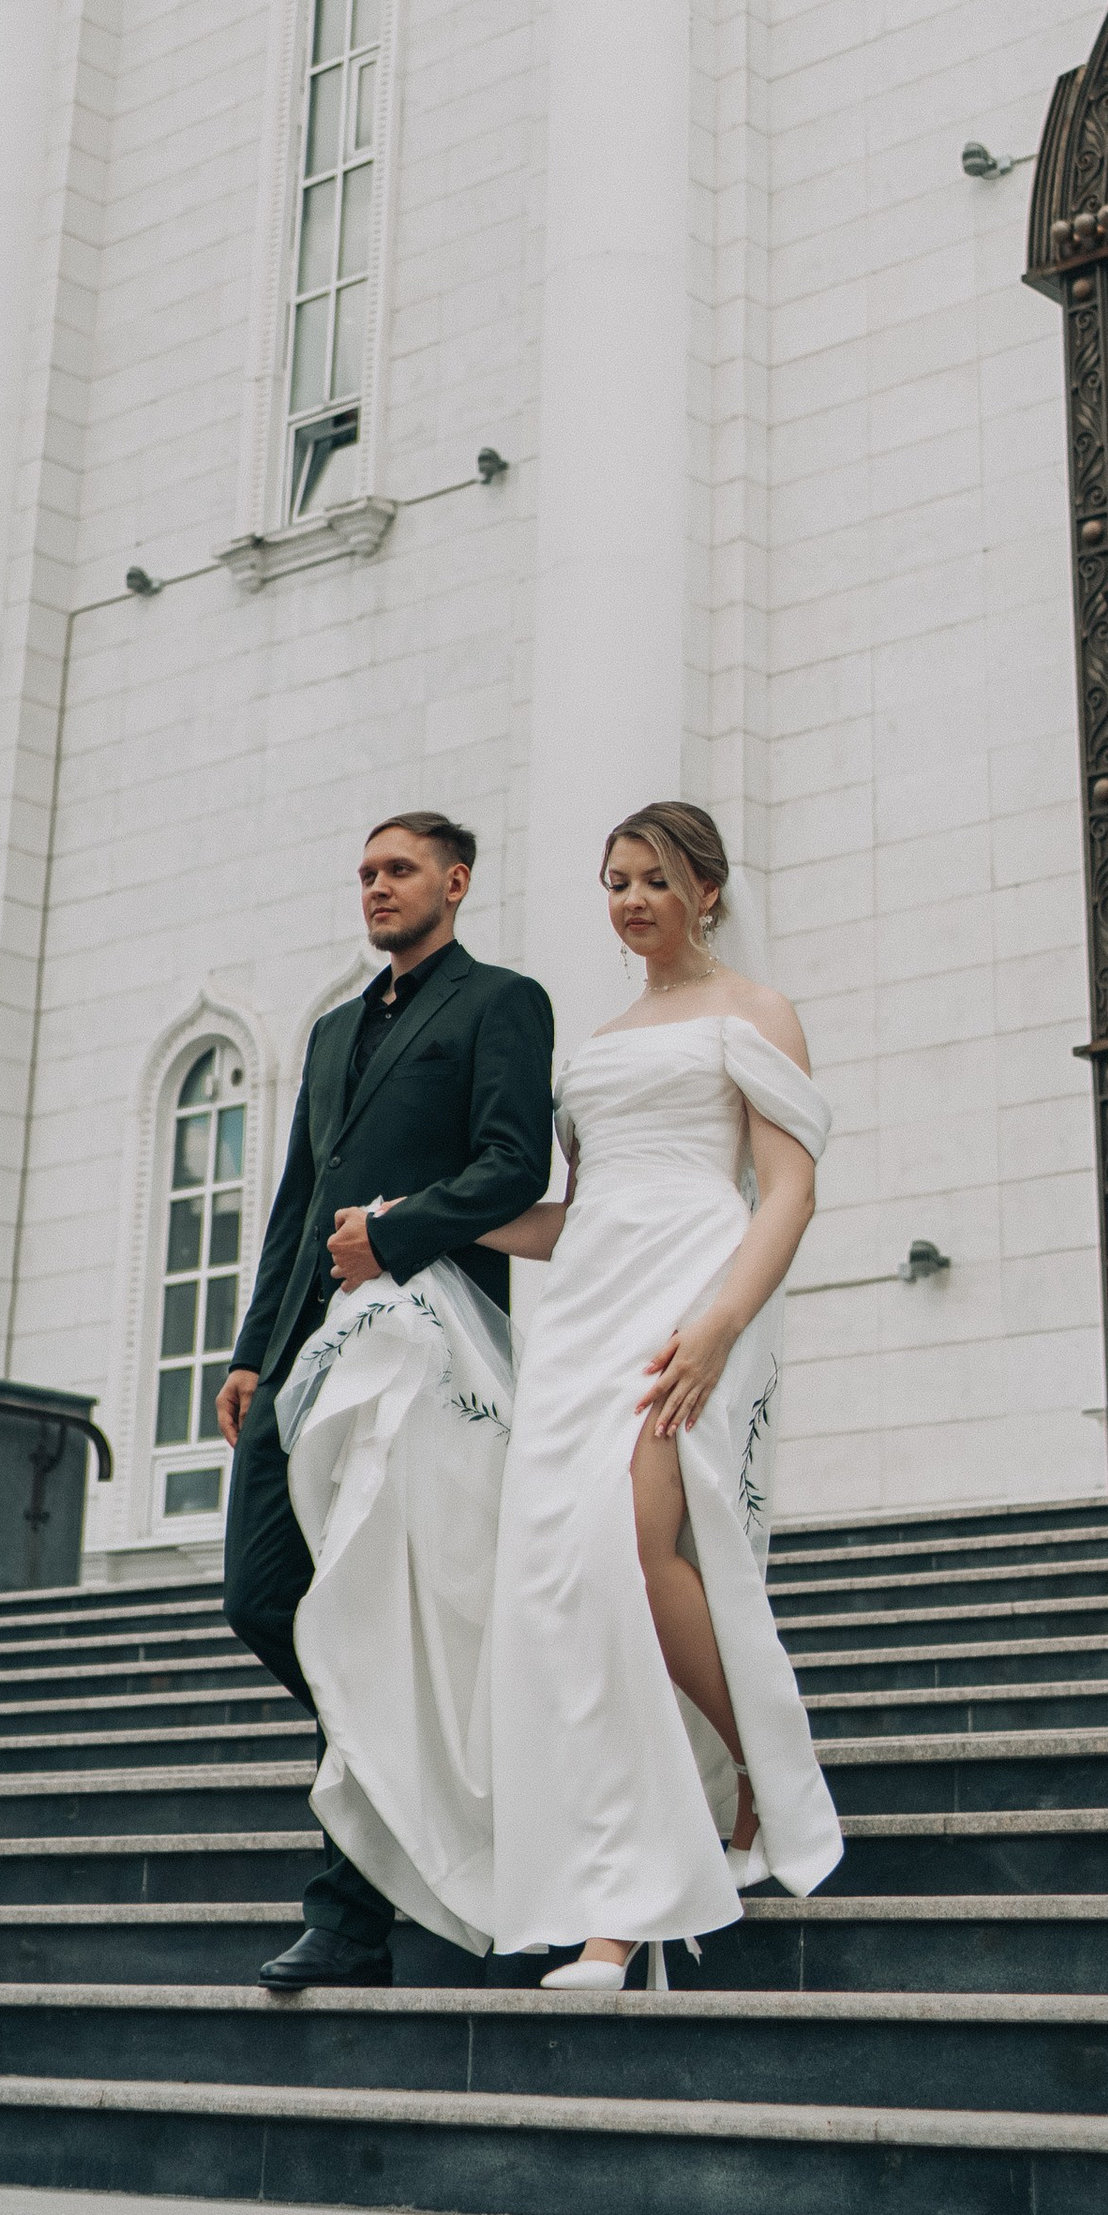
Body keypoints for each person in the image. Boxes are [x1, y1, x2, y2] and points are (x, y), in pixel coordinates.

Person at [480, 802, 842, 1983]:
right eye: (615, 882)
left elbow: (787, 1190)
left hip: (690, 1292)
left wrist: (716, 1327)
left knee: (632, 1545)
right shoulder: (594, 1045)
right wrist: (429, 1220)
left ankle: (637, 1898)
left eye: (653, 879)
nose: (631, 900)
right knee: (563, 1582)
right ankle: (738, 1785)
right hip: (584, 1313)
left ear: (707, 890)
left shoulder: (756, 1012)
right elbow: (573, 1218)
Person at [218, 811, 553, 1992]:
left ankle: (350, 1920)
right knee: (260, 1599)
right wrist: (251, 1351)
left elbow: (514, 1164)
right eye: (365, 871)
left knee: (376, 1607)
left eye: (399, 869)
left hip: (419, 1351)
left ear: (455, 883)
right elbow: (296, 1204)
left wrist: (398, 1231)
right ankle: (412, 1783)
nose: (376, 886)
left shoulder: (500, 1003)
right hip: (301, 1359)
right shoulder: (327, 1034)